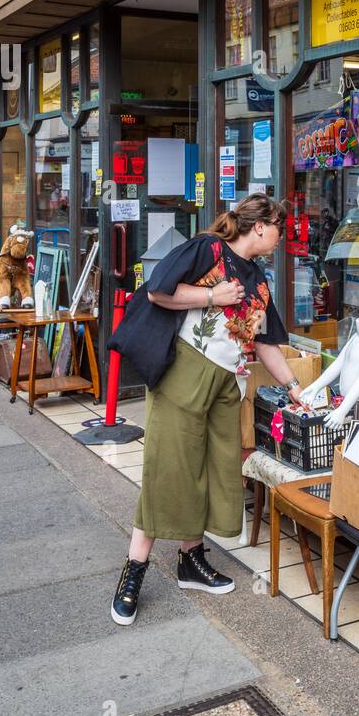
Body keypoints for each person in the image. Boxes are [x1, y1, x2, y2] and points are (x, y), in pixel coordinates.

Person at [108, 194, 307, 626]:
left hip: (227, 383)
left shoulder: (258, 279)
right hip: (186, 370)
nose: (282, 237)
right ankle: (133, 571)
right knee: (169, 467)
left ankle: (190, 558)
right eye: (280, 229)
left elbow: (266, 342)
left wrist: (294, 387)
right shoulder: (207, 249)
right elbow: (159, 290)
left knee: (211, 467)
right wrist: (211, 296)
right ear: (261, 226)